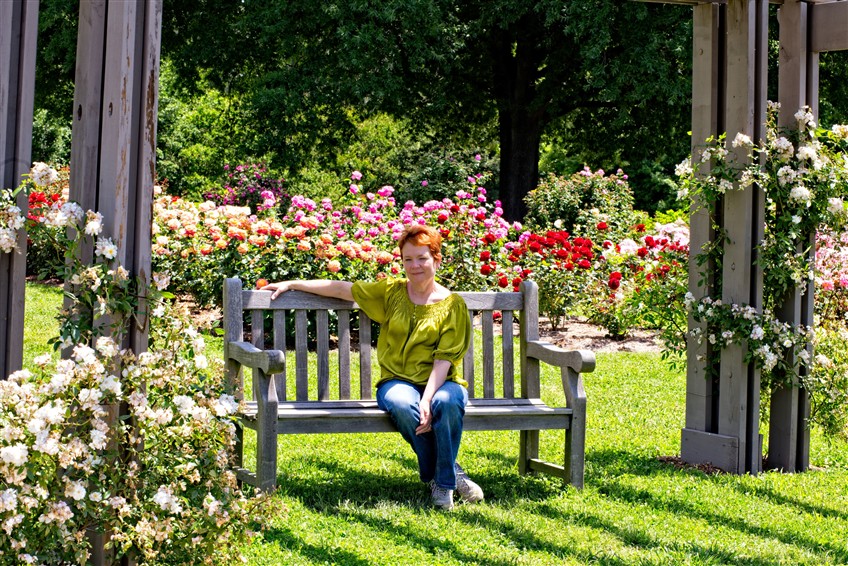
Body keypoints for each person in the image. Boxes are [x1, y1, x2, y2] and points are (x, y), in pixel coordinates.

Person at [261, 224, 484, 510]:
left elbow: (444, 359)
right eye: (408, 259)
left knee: (447, 402)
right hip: (397, 380)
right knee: (402, 405)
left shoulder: (453, 305)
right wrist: (293, 283)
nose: (414, 265)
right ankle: (449, 475)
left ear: (437, 260)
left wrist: (427, 398)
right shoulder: (391, 292)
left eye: (422, 258)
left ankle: (442, 484)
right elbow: (342, 289)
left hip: (442, 382)